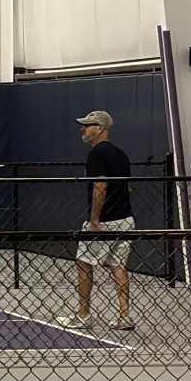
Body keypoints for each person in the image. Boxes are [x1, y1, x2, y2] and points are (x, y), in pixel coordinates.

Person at [74, 109, 136, 334]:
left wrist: (94, 220)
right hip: (126, 219)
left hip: (105, 221)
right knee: (119, 266)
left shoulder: (97, 154)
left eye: (88, 125)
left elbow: (100, 187)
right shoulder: (121, 154)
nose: (83, 129)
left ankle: (83, 315)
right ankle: (124, 315)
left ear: (100, 129)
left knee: (83, 262)